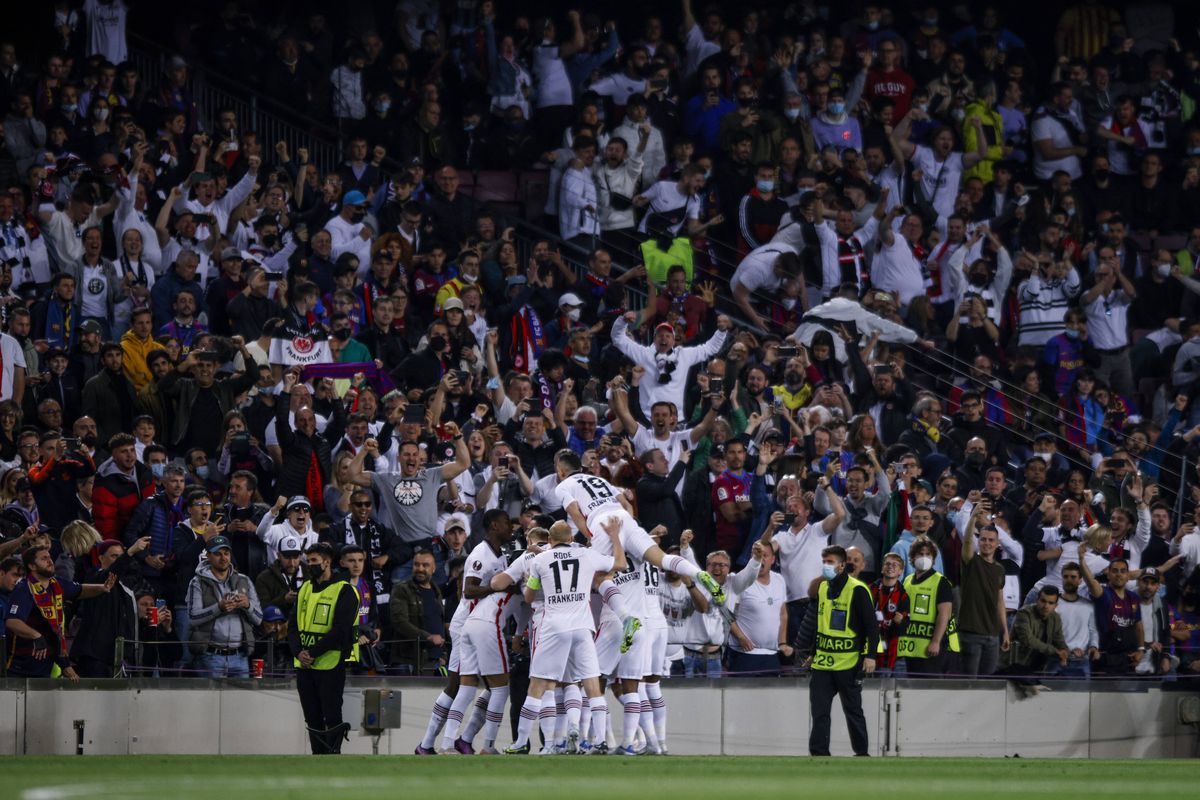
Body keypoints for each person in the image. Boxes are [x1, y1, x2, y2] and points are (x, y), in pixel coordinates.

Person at [496, 517, 624, 755]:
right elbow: (620, 563)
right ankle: (600, 741)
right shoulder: (586, 555)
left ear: (550, 539)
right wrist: (615, 537)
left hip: (554, 627)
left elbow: (529, 597)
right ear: (572, 538)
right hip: (583, 627)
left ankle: (521, 742)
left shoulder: (540, 560)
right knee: (591, 684)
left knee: (538, 685)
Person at [801, 545, 878, 756]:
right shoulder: (823, 588)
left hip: (848, 662)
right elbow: (821, 624)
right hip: (823, 663)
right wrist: (813, 653)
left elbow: (871, 627)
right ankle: (819, 754)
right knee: (819, 712)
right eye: (824, 562)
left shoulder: (858, 589)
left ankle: (862, 753)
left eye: (831, 562)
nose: (826, 566)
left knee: (853, 711)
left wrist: (870, 656)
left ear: (842, 565)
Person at [290, 541, 360, 754]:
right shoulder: (305, 588)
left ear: (327, 562)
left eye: (314, 560)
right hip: (304, 664)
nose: (309, 565)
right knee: (311, 717)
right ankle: (318, 756)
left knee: (331, 715)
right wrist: (298, 652)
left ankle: (333, 755)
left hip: (330, 662)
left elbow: (340, 630)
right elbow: (293, 625)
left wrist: (311, 653)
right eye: (308, 560)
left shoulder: (345, 590)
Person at [4, 545, 115, 679]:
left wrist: (102, 588)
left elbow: (80, 590)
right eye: (44, 559)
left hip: (45, 665)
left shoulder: (56, 584)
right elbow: (12, 621)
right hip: (19, 667)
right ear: (32, 566)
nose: (50, 561)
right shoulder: (24, 589)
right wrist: (36, 636)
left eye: (49, 557)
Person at [186, 534, 263, 678]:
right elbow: (193, 618)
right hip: (210, 656)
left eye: (226, 553)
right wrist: (219, 608)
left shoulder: (244, 580)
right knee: (211, 695)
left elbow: (258, 619)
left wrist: (247, 605)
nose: (223, 558)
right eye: (218, 554)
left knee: (242, 694)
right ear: (208, 556)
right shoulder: (197, 582)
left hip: (240, 656)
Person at [957, 507, 1011, 676]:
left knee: (987, 684)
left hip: (993, 635)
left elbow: (999, 601)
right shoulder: (971, 561)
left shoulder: (1000, 569)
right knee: (969, 683)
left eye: (991, 540)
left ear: (997, 543)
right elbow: (967, 542)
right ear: (978, 541)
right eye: (983, 539)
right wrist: (973, 518)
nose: (987, 543)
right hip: (970, 634)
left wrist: (1005, 631)